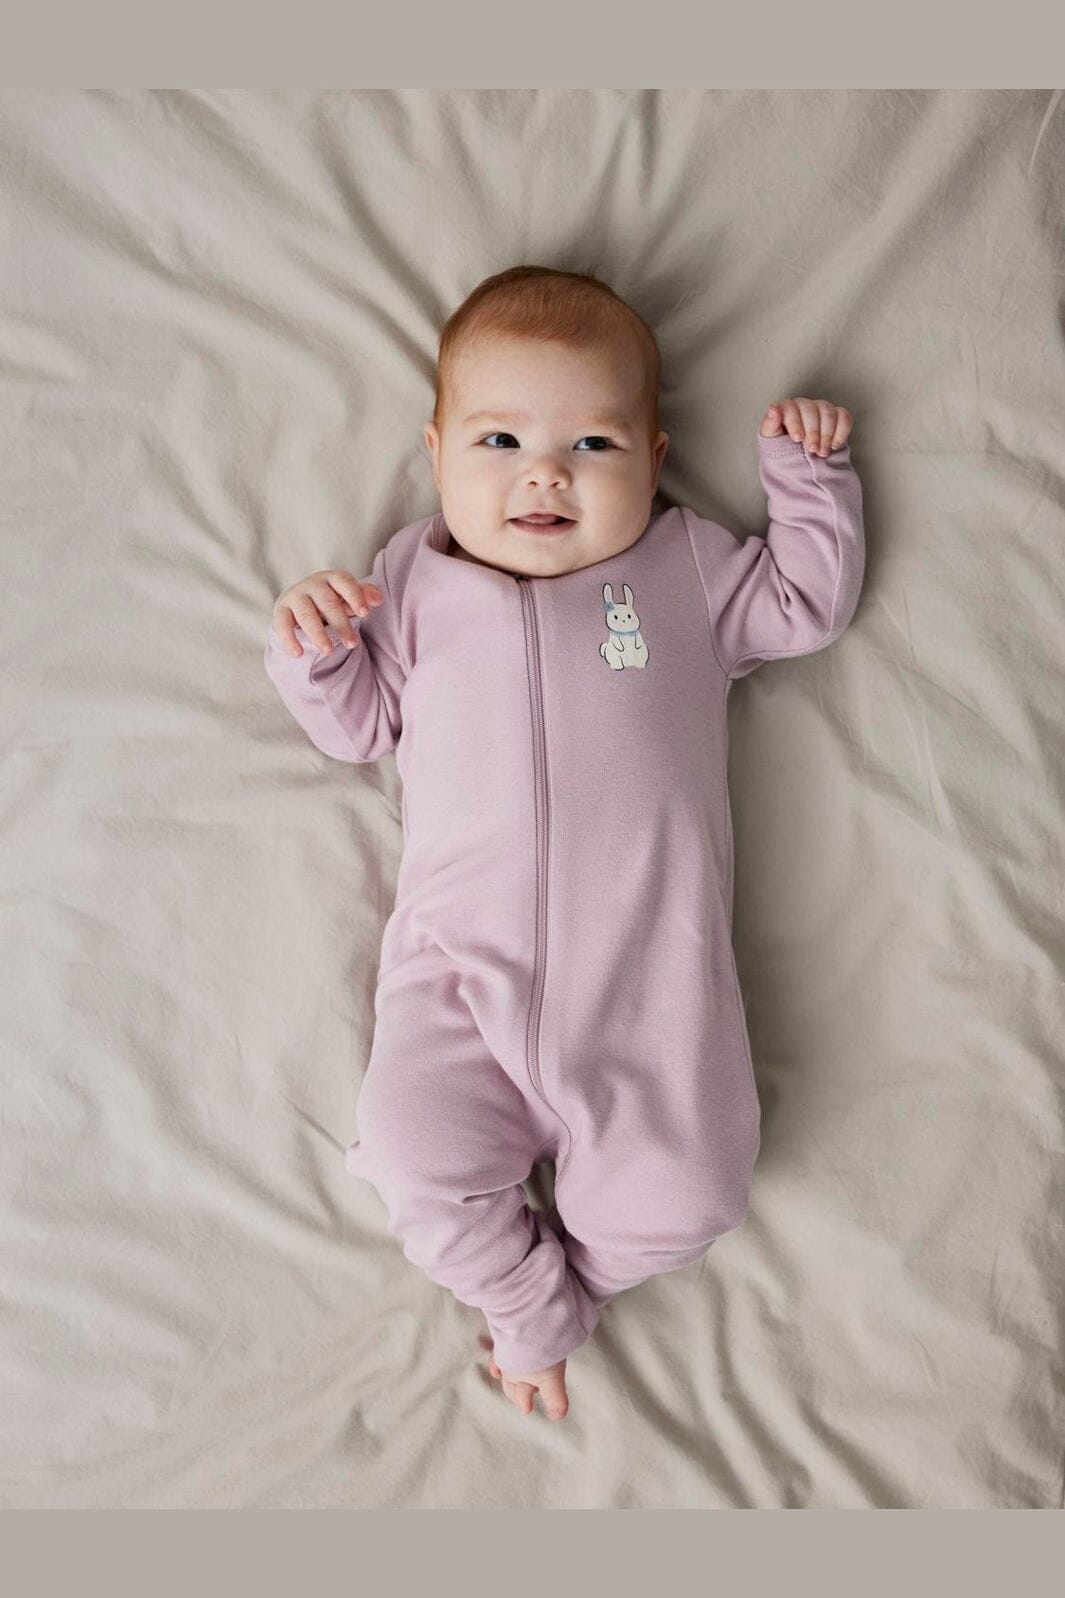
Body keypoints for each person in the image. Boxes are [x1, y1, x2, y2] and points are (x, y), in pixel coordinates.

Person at [264, 265, 865, 1422]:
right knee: (410, 1155)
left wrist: (809, 477)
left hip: (650, 990)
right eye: (499, 440)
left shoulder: (685, 569)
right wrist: (312, 647)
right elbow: (357, 726)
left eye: (594, 442)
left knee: (694, 1190)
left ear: (654, 455)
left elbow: (806, 600)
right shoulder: (410, 583)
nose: (545, 472)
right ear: (438, 452)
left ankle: (566, 1289)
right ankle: (527, 1299)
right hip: (458, 981)